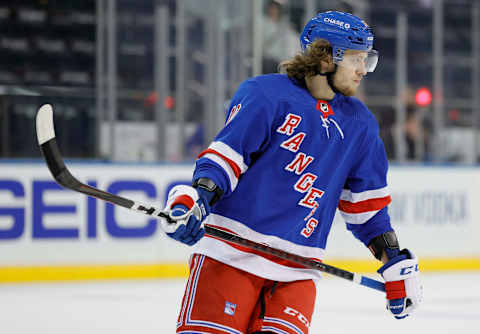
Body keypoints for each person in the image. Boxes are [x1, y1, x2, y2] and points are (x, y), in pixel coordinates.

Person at [160, 11, 423, 334]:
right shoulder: (265, 94)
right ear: (326, 57)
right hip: (229, 258)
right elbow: (225, 159)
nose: (362, 70)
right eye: (356, 59)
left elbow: (367, 211)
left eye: (366, 60)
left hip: (298, 272)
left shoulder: (361, 125)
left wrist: (394, 260)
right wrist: (198, 199)